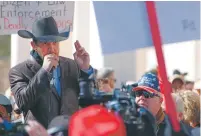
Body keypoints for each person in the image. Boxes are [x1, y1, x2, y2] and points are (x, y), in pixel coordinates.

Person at [9, 16, 93, 128]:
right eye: (45, 43)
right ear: (34, 45)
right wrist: (44, 71)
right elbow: (22, 103)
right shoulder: (19, 71)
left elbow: (90, 101)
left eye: (55, 42)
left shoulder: (72, 65)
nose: (52, 48)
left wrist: (85, 70)